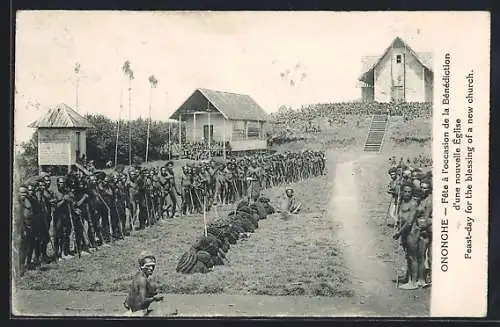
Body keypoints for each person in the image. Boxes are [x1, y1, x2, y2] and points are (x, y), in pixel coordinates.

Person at [123, 251, 167, 316]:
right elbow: (142, 301)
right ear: (141, 266)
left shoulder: (138, 276)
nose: (151, 268)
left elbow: (126, 303)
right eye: (148, 266)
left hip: (133, 311)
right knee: (170, 312)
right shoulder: (142, 280)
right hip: (139, 313)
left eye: (152, 266)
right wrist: (154, 299)